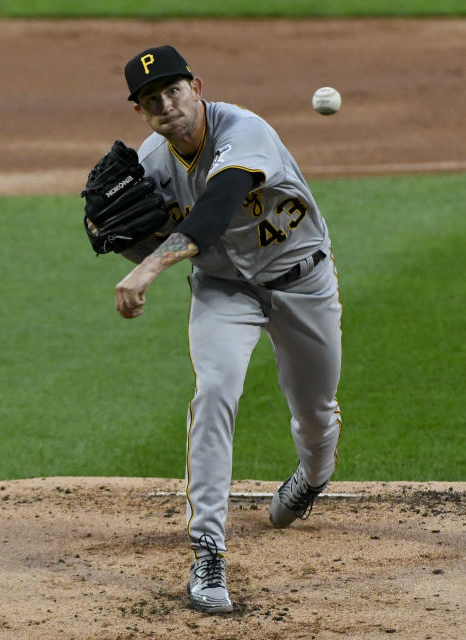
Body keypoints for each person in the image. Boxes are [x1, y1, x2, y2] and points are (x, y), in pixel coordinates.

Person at [113, 45, 343, 614]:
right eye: (150, 101)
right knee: (214, 391)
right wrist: (122, 243)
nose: (166, 105)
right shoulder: (152, 163)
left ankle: (314, 475)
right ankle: (207, 551)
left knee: (314, 411)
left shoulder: (245, 131)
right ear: (140, 112)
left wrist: (149, 267)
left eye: (173, 90)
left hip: (302, 281)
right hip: (224, 290)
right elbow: (145, 233)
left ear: (196, 86)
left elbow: (214, 210)